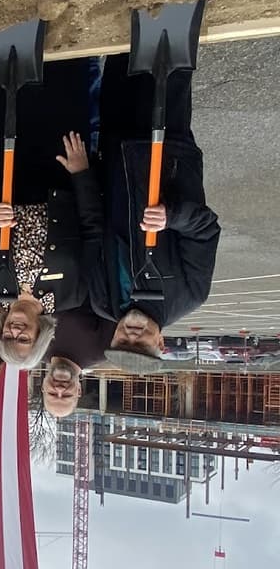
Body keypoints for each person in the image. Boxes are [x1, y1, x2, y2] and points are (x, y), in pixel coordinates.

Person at [0, 58, 103, 371]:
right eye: (24, 339)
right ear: (39, 336)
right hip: (61, 170)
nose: (16, 331)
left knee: (13, 94)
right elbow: (93, 229)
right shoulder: (72, 295)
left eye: (8, 336)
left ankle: (13, 47)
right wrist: (82, 174)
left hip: (9, 171)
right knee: (65, 83)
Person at [93, 53, 221, 373]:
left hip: (115, 155)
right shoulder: (190, 294)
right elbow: (206, 229)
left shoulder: (102, 301)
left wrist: (85, 175)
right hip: (163, 155)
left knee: (122, 62)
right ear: (161, 343)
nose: (132, 336)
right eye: (140, 345)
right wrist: (171, 216)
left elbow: (93, 232)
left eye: (122, 342)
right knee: (170, 66)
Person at [41, 303, 115, 417]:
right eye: (67, 395)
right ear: (79, 390)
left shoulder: (36, 347)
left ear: (43, 386)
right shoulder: (101, 350)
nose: (60, 389)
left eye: (52, 393)